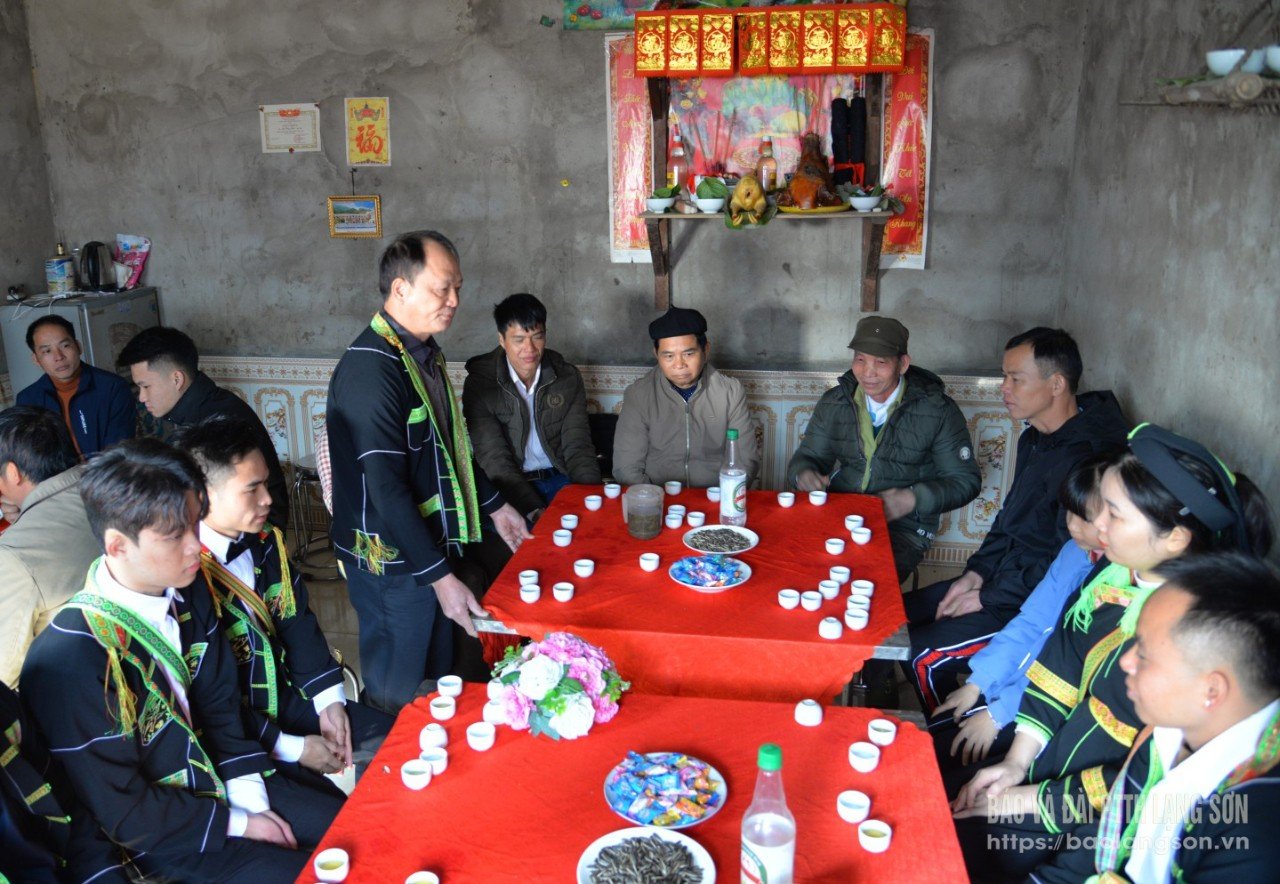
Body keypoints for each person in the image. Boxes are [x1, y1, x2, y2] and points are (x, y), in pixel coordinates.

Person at [950, 424, 1274, 882]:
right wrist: (1017, 763)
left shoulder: (1189, 643)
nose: (1096, 524)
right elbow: (1062, 662)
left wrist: (1030, 804)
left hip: (1076, 810)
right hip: (1054, 777)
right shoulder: (1110, 579)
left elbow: (1125, 802)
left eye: (1114, 514)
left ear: (1175, 539)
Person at [20, 438, 342, 881]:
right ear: (117, 546)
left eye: (195, 523)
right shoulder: (71, 659)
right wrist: (242, 824)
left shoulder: (186, 586)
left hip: (222, 778)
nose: (195, 546)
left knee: (356, 827)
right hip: (162, 840)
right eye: (175, 535)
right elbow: (122, 810)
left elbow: (218, 700)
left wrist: (250, 799)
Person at [327, 230, 531, 712]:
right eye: (442, 288)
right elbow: (386, 489)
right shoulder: (371, 369)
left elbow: (447, 450)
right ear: (401, 289)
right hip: (394, 563)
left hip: (429, 547)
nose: (454, 300)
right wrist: (440, 578)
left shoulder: (422, 353)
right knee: (399, 689)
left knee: (440, 682)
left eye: (457, 287)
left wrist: (496, 506)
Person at [907, 327, 1129, 712]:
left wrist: (985, 597)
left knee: (918, 654)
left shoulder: (1092, 461)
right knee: (894, 618)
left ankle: (953, 734)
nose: (1004, 388)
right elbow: (1008, 520)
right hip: (1000, 580)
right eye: (1003, 377)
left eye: (1015, 379)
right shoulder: (1035, 439)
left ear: (1056, 384)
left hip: (1028, 602)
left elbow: (1064, 564)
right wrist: (974, 575)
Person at [174, 417, 393, 785]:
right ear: (203, 496)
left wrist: (329, 702)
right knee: (330, 817)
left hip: (289, 700)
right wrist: (294, 747)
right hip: (238, 738)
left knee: (402, 743)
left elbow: (296, 623)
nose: (268, 499)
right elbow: (209, 704)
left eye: (266, 483)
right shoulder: (182, 575)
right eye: (252, 489)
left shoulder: (265, 540)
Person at [1073, 553, 1280, 883]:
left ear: (1211, 690)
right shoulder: (1169, 733)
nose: (1126, 662)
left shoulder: (1255, 840)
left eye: (1143, 653)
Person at [928, 454, 1110, 795]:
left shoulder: (1112, 582)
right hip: (1014, 690)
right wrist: (977, 684)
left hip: (1047, 713)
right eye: (1069, 511)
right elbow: (1031, 622)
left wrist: (998, 714)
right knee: (933, 736)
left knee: (945, 774)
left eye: (1082, 516)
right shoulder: (1073, 553)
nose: (1071, 524)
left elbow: (1065, 667)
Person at [788, 315, 981, 581]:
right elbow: (809, 456)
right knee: (796, 567)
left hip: (904, 527)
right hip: (842, 513)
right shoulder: (836, 402)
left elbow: (965, 481)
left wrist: (913, 498)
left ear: (903, 364)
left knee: (863, 581)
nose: (868, 372)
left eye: (880, 362)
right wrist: (804, 474)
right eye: (860, 359)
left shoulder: (938, 410)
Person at [117, 325, 288, 527]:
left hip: (255, 529)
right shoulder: (206, 407)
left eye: (146, 386)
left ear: (177, 379)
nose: (142, 397)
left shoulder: (214, 423)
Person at [463, 293, 601, 523]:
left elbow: (578, 445)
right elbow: (494, 459)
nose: (530, 348)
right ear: (501, 339)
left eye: (537, 337)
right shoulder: (481, 384)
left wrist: (590, 497)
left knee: (590, 529)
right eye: (519, 340)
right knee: (527, 538)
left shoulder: (566, 377)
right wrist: (533, 509)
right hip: (509, 488)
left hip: (560, 479)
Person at [0, 406, 101, 685]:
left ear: (13, 473)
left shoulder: (14, 556)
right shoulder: (110, 484)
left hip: (74, 692)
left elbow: (3, 675)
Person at [613, 306, 759, 488]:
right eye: (668, 356)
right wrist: (653, 499)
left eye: (688, 354)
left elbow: (745, 460)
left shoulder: (730, 392)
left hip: (716, 496)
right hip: (657, 497)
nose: (679, 365)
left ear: (706, 350)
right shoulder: (639, 395)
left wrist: (723, 496)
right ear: (656, 354)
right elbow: (626, 468)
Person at [15, 315, 135, 457]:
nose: (59, 357)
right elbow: (31, 455)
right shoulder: (27, 399)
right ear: (36, 359)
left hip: (104, 469)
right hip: (55, 471)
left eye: (65, 346)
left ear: (78, 347)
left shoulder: (113, 387)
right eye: (47, 351)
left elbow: (119, 449)